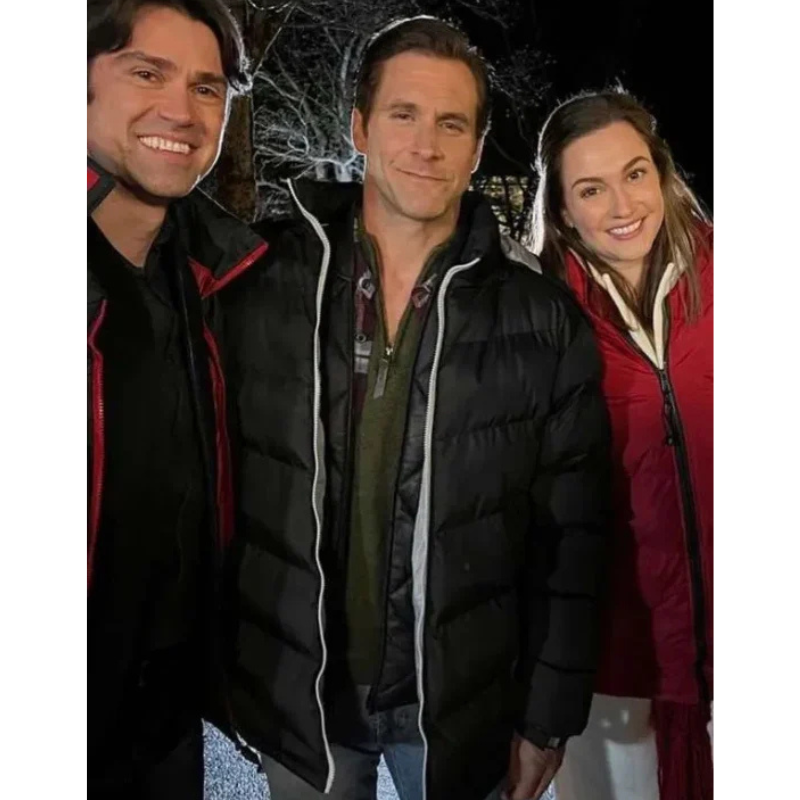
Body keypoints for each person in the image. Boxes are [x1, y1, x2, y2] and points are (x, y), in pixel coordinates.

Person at [219, 17, 612, 800]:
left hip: (465, 704)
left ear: (478, 147)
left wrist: (547, 718)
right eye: (403, 114)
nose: (426, 145)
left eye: (451, 123)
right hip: (301, 697)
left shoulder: (541, 319)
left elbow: (574, 538)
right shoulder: (258, 280)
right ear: (360, 127)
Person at [87, 1, 266, 797]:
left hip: (166, 715)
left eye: (206, 87)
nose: (181, 111)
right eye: (146, 73)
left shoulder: (214, 275)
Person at [530, 89, 713, 800]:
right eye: (591, 188)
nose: (622, 205)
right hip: (611, 667)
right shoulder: (539, 316)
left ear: (662, 173)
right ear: (562, 209)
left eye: (635, 174)